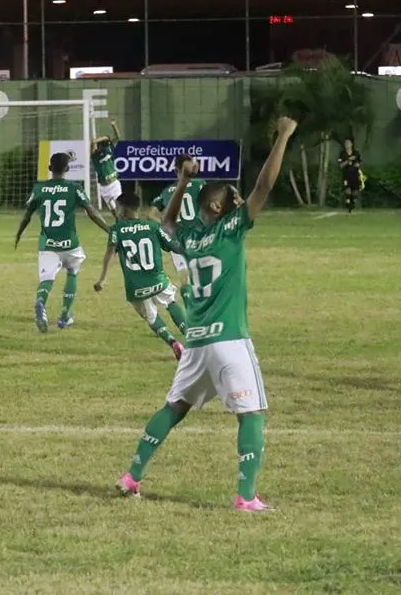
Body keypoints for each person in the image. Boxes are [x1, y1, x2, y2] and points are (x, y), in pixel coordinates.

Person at [115, 116, 298, 512]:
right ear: (218, 206)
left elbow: (166, 220)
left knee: (174, 408)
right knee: (251, 414)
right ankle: (246, 497)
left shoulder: (188, 237)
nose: (240, 199)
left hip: (196, 341)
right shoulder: (230, 227)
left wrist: (181, 181)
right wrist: (283, 135)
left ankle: (131, 476)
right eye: (233, 196)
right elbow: (264, 186)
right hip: (229, 339)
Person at [14, 151, 110, 332]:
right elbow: (92, 212)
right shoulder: (74, 188)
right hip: (69, 244)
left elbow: (27, 215)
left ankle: (41, 302)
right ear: (67, 169)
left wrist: (19, 234)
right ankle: (65, 316)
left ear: (49, 168)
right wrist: (109, 230)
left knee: (47, 278)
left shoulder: (39, 189)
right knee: (72, 272)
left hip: (48, 244)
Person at [94, 192, 186, 361]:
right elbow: (173, 246)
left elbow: (109, 253)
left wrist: (102, 279)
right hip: (158, 281)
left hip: (135, 287)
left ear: (124, 210)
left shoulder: (117, 230)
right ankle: (194, 340)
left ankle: (173, 342)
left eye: (118, 207)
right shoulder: (152, 226)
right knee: (171, 302)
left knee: (151, 317)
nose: (117, 210)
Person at [150, 171, 206, 305]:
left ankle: (189, 308)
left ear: (176, 171)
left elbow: (151, 214)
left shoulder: (167, 191)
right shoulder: (200, 184)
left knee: (184, 275)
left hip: (177, 236)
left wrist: (166, 226)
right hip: (198, 234)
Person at [91, 120, 122, 214]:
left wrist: (114, 126)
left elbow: (118, 137)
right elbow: (93, 142)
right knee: (114, 212)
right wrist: (104, 137)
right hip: (104, 187)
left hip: (114, 184)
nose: (108, 144)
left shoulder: (109, 148)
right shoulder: (95, 155)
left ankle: (124, 225)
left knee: (120, 208)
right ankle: (118, 225)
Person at [338, 138, 363, 214]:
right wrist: (348, 160)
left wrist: (357, 165)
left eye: (348, 143)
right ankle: (348, 206)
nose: (347, 145)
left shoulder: (356, 153)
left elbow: (360, 162)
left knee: (355, 192)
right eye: (346, 143)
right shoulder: (342, 154)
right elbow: (341, 166)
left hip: (355, 175)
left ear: (351, 144)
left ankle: (352, 202)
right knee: (347, 191)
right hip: (346, 175)